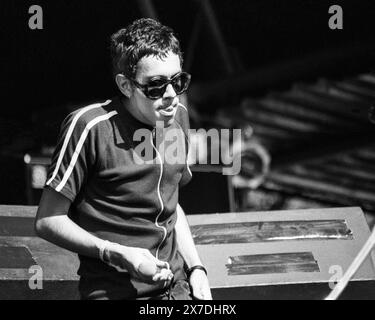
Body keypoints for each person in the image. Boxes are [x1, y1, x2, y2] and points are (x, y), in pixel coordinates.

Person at [35, 18, 212, 300]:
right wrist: (115, 252)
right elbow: (48, 221)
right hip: (112, 292)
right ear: (125, 85)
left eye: (177, 81)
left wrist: (197, 269)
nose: (171, 96)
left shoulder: (177, 118)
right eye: (155, 86)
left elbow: (171, 206)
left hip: (176, 288)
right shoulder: (90, 126)